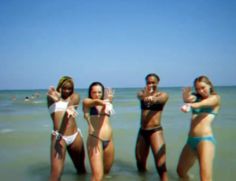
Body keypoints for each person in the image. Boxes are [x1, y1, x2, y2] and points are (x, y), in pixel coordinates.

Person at [177, 75, 221, 181]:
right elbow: (188, 99)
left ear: (210, 85)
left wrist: (190, 105)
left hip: (205, 140)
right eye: (197, 89)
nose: (200, 91)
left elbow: (202, 104)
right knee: (181, 172)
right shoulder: (196, 97)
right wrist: (185, 95)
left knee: (205, 178)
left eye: (203, 87)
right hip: (190, 141)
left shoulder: (215, 98)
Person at [47, 76, 86, 181]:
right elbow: (51, 97)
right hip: (59, 137)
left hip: (75, 136)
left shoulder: (75, 96)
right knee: (56, 175)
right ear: (60, 87)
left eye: (70, 88)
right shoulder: (51, 98)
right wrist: (56, 98)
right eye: (64, 88)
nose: (67, 91)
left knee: (81, 170)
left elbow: (71, 104)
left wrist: (67, 106)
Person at [135, 73, 169, 181]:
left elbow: (161, 100)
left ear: (158, 83)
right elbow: (139, 96)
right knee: (140, 164)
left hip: (155, 131)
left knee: (161, 166)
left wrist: (152, 99)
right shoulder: (142, 93)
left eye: (153, 82)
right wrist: (146, 96)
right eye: (148, 82)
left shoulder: (163, 94)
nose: (150, 85)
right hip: (142, 131)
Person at [83, 82, 115, 181]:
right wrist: (104, 102)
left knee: (106, 174)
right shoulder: (87, 102)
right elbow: (94, 102)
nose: (97, 94)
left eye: (99, 92)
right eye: (94, 92)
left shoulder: (107, 102)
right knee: (97, 177)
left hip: (109, 141)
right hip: (95, 140)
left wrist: (109, 101)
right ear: (90, 93)